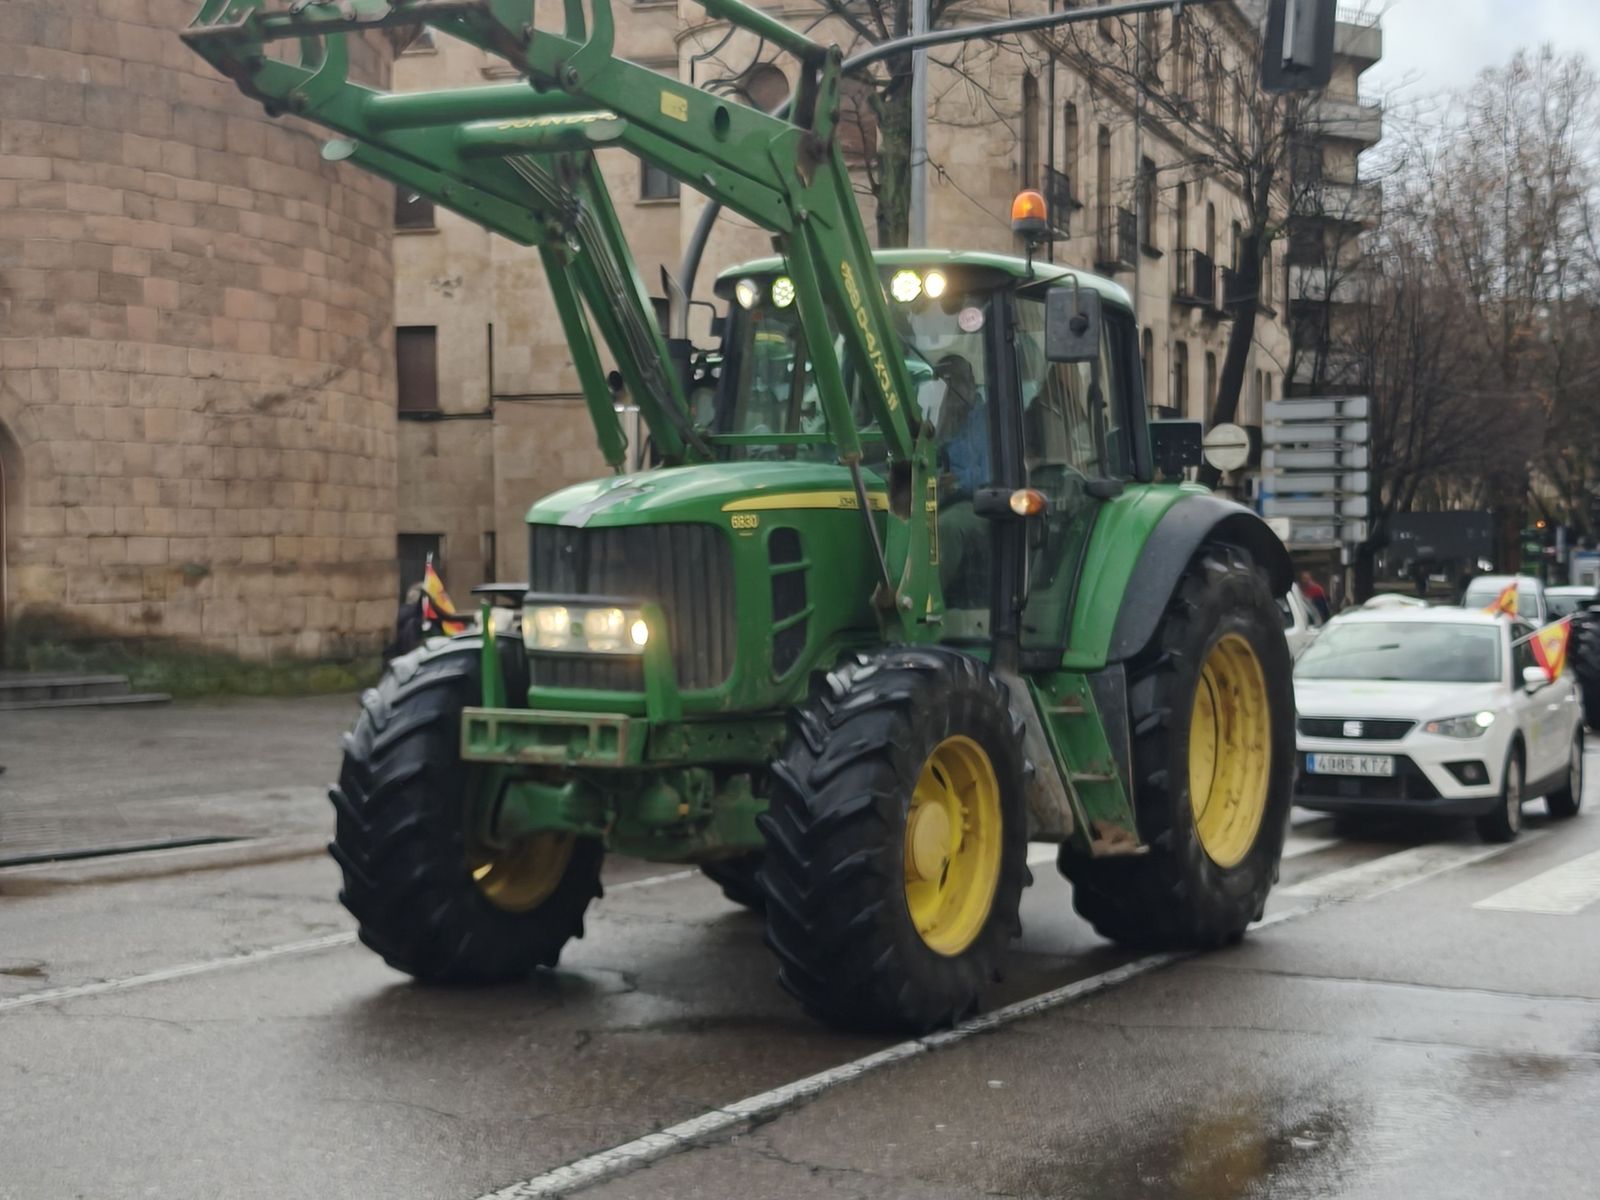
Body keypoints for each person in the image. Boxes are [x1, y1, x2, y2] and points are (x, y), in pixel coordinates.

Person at [929, 354, 990, 606]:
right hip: (939, 499)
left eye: (952, 386)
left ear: (968, 386)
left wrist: (957, 482)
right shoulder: (938, 418)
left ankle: (927, 604)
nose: (947, 395)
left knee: (945, 528)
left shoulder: (986, 419)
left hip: (981, 503)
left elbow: (991, 473)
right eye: (942, 387)